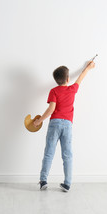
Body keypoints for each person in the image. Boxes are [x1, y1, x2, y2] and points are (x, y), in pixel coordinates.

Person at [33, 60, 95, 192]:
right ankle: (67, 183)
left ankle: (43, 181)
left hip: (54, 123)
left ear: (56, 80)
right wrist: (88, 68)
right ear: (68, 78)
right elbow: (80, 78)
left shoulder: (53, 91)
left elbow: (51, 110)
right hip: (67, 125)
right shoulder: (72, 89)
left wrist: (39, 121)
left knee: (49, 153)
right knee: (67, 154)